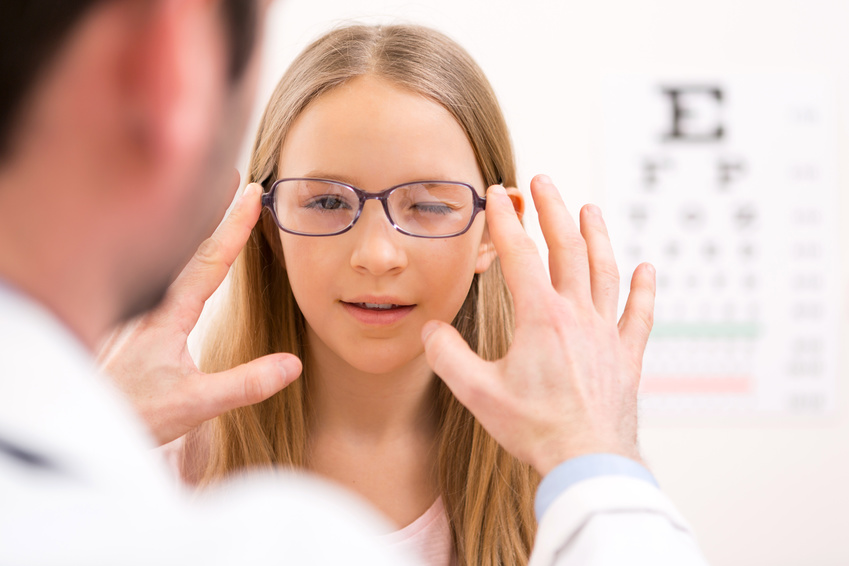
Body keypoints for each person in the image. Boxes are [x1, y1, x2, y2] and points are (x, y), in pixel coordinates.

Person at [0, 1, 709, 564]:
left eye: (428, 206)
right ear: (266, 217)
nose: (376, 254)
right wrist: (101, 432)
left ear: (494, 230)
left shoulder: (560, 481)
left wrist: (591, 459)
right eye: (328, 202)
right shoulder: (154, 461)